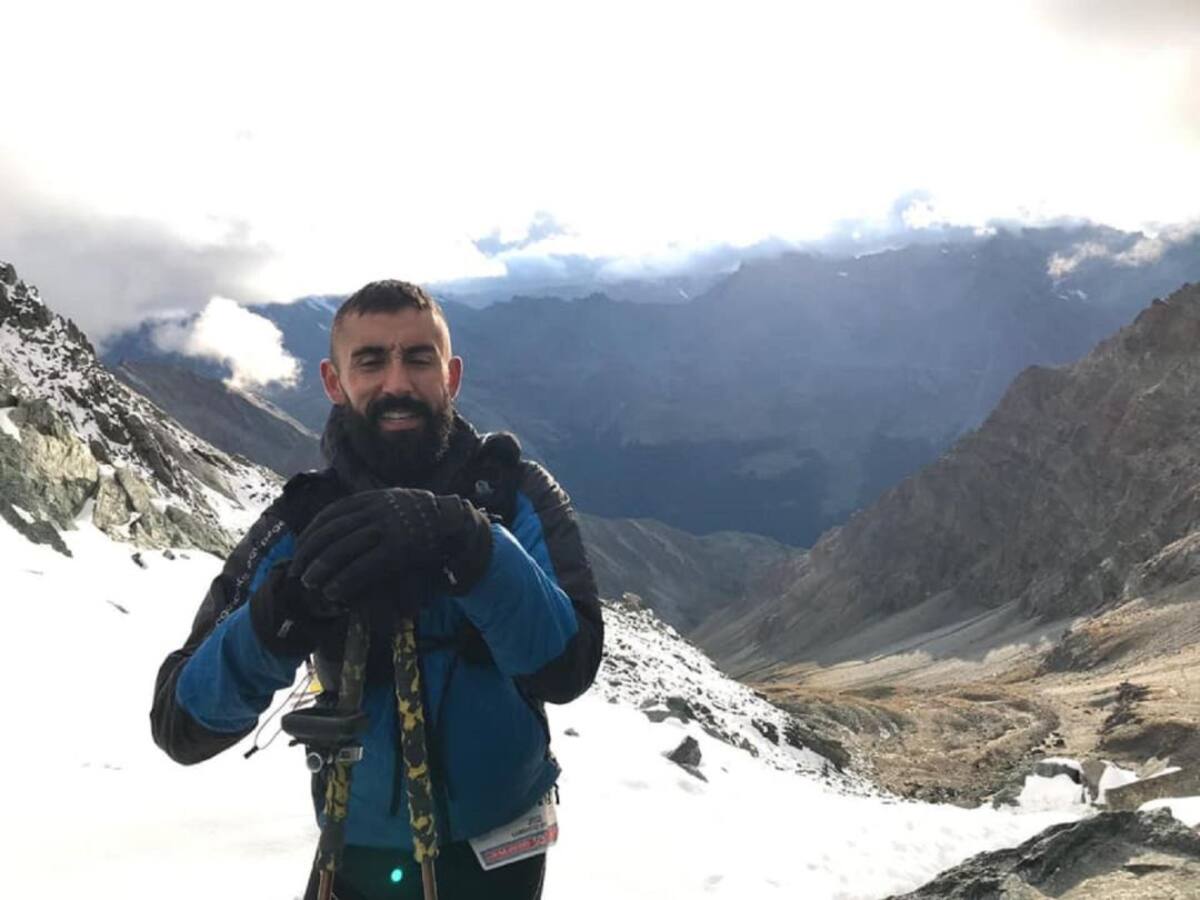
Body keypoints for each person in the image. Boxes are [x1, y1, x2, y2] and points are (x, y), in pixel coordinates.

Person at [151, 280, 603, 899]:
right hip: (359, 846)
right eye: (370, 361)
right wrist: (287, 611)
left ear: (452, 375)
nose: (397, 383)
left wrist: (471, 544)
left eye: (419, 358)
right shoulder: (304, 523)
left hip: (499, 852)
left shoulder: (514, 494)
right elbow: (181, 721)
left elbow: (568, 665)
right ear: (335, 382)